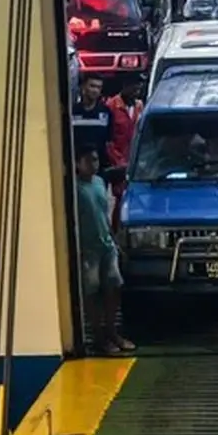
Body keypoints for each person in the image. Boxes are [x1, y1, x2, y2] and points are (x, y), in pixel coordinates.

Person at [74, 145, 135, 356]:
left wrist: (114, 240)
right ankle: (98, 337)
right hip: (87, 249)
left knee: (113, 287)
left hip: (106, 245)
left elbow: (103, 214)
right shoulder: (74, 188)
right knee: (92, 293)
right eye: (88, 160)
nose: (93, 164)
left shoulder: (100, 183)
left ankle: (112, 331)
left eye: (95, 160)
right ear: (77, 163)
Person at [104, 74, 145, 229]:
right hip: (117, 161)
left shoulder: (139, 106)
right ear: (125, 86)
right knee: (121, 197)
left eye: (138, 90)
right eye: (134, 89)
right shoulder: (111, 106)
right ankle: (116, 230)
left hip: (135, 160)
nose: (136, 92)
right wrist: (118, 161)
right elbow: (109, 139)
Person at [71, 74, 113, 167]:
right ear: (83, 87)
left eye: (99, 87)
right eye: (92, 86)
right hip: (76, 165)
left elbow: (109, 141)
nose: (95, 90)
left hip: (99, 165)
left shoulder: (106, 112)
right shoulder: (72, 111)